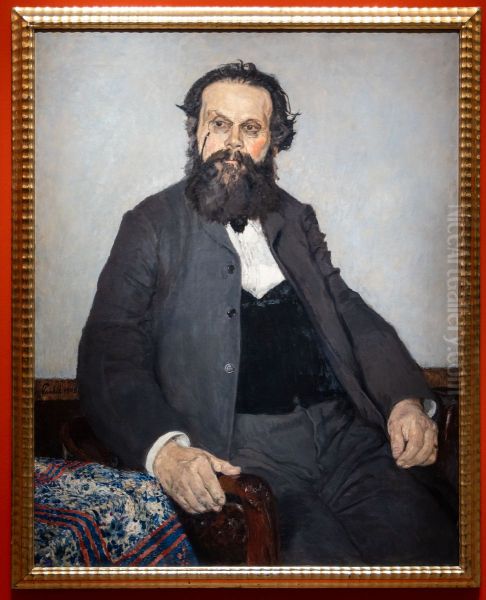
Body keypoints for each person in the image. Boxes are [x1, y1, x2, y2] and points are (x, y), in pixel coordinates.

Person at [77, 61, 458, 566]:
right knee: (318, 568)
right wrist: (165, 451)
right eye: (219, 124)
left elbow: (349, 311)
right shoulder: (150, 223)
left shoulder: (294, 218)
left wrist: (405, 400)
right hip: (241, 454)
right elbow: (109, 347)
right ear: (195, 132)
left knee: (429, 547)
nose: (232, 143)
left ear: (272, 145)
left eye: (251, 128)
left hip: (345, 440)